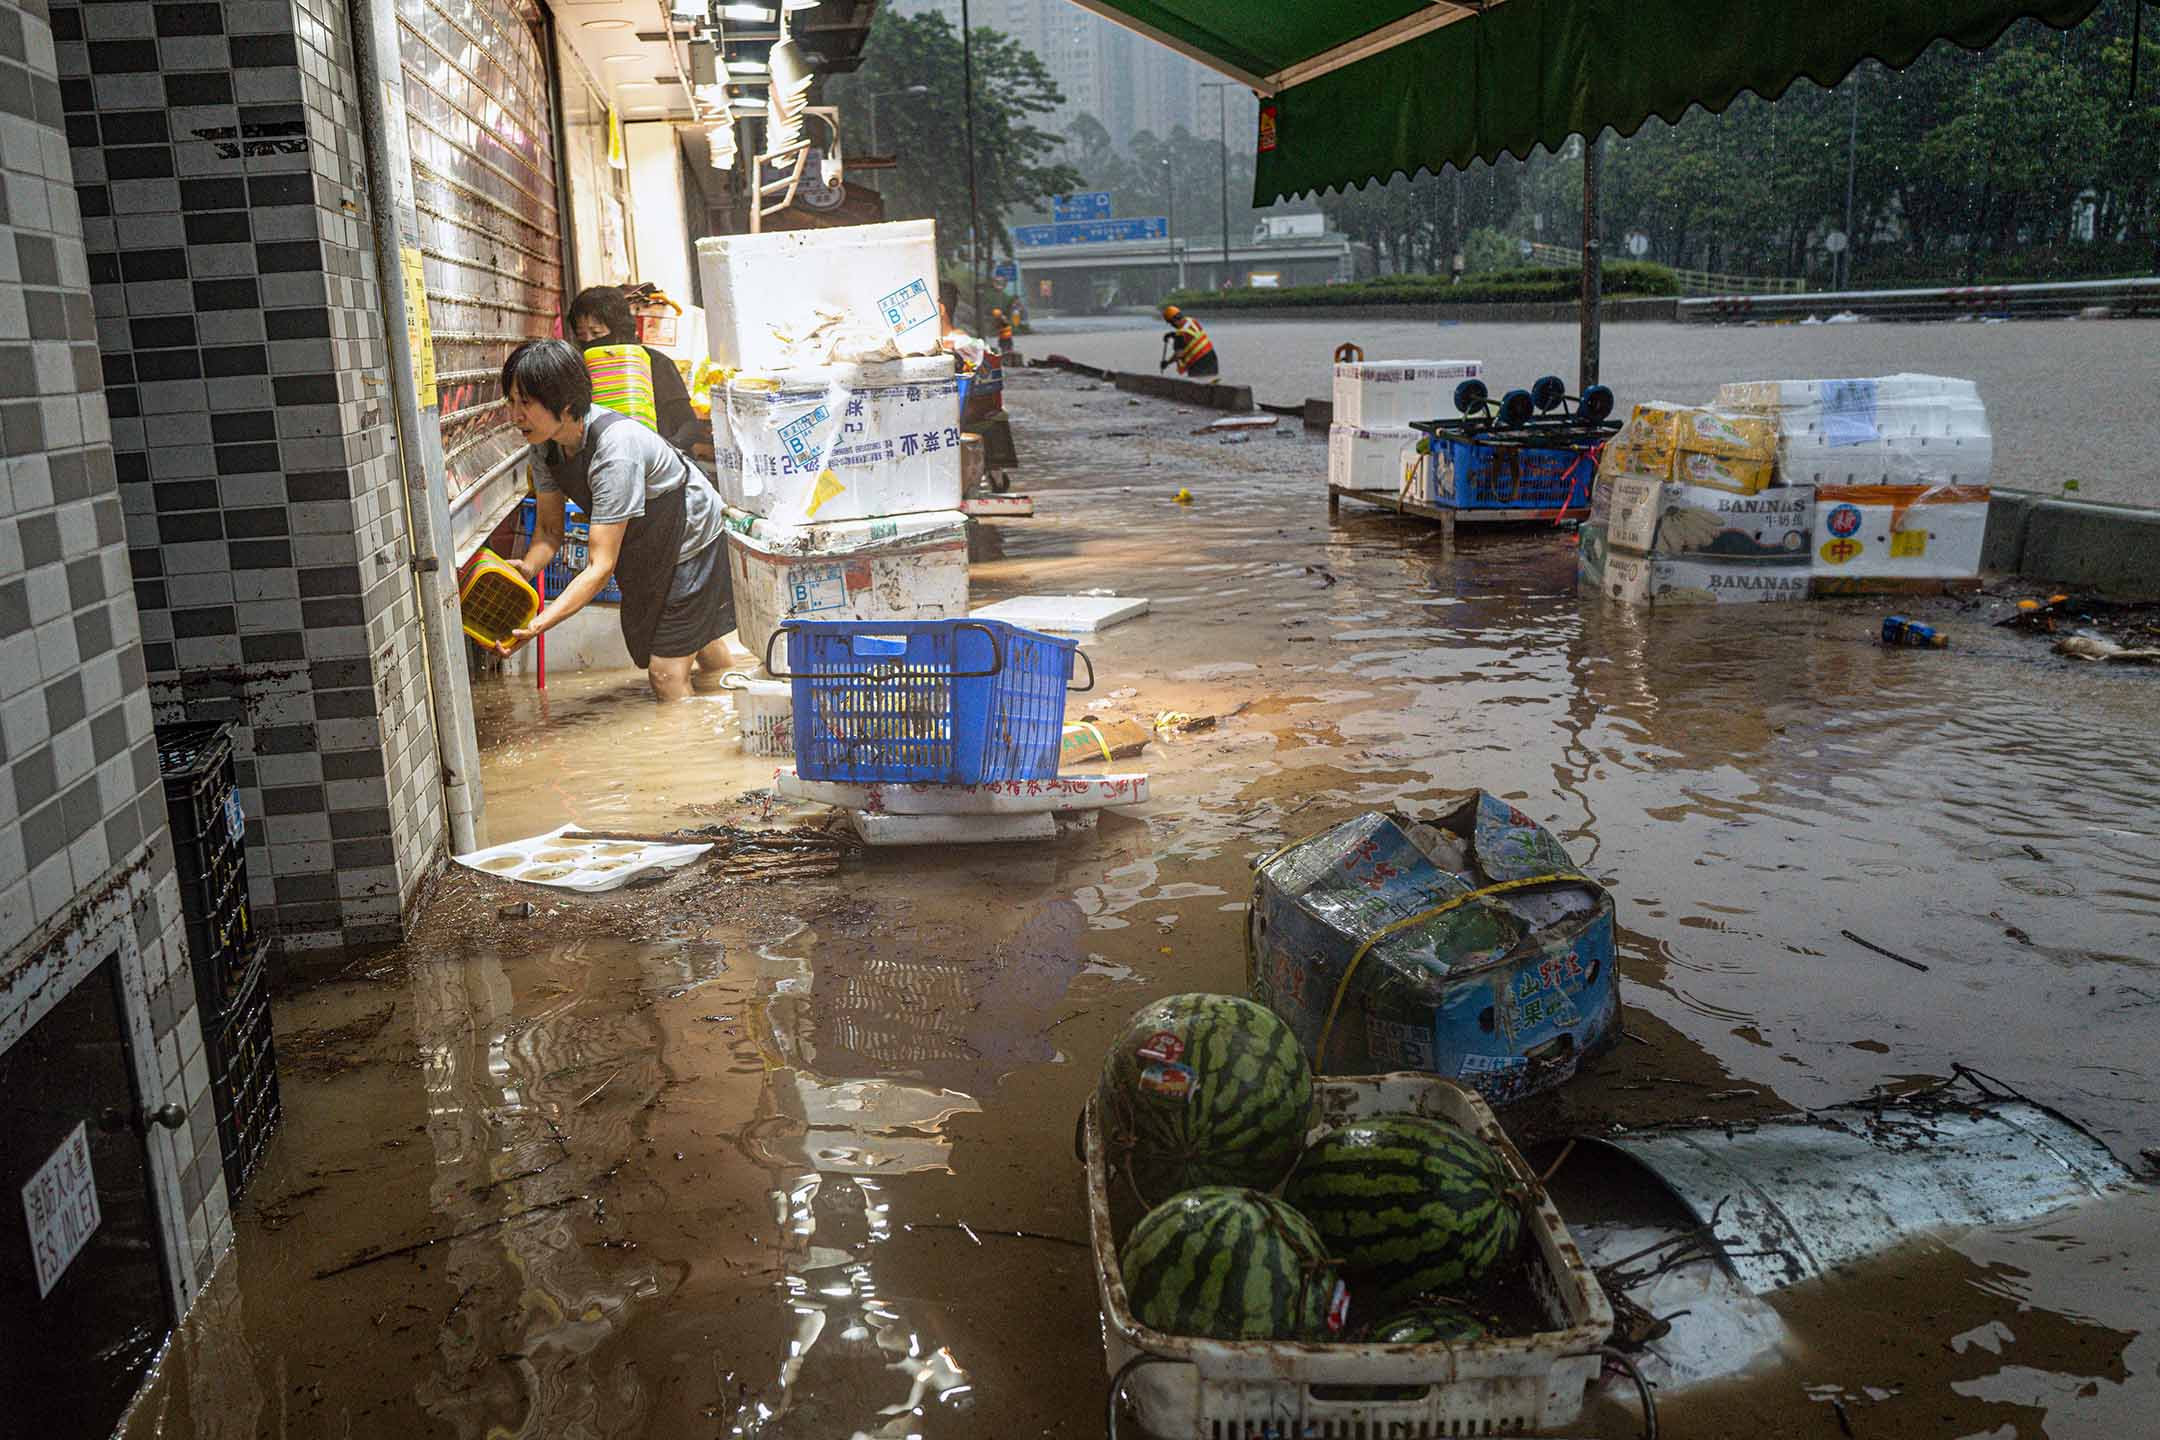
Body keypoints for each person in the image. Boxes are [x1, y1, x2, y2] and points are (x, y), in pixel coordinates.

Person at [498, 339, 734, 702]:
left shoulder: (615, 450)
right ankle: (726, 695)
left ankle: (688, 746)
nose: (516, 415)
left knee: (665, 673)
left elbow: (600, 567)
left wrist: (540, 623)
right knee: (695, 641)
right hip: (647, 542)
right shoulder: (543, 446)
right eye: (511, 402)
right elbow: (548, 530)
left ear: (562, 401)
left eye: (525, 403)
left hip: (692, 534)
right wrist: (527, 570)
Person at [567, 285, 707, 456]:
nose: (589, 341)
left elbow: (690, 425)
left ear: (618, 330)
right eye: (582, 335)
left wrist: (666, 449)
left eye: (596, 333)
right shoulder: (579, 373)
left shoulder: (655, 363)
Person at [1158, 303, 1218, 379]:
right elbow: (1192, 335)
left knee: (1197, 386)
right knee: (1211, 382)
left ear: (1173, 320)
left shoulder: (1180, 334)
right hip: (1211, 358)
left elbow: (1179, 354)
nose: (1171, 325)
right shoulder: (1191, 321)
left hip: (1198, 362)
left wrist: (1167, 363)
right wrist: (1173, 335)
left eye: (1170, 323)